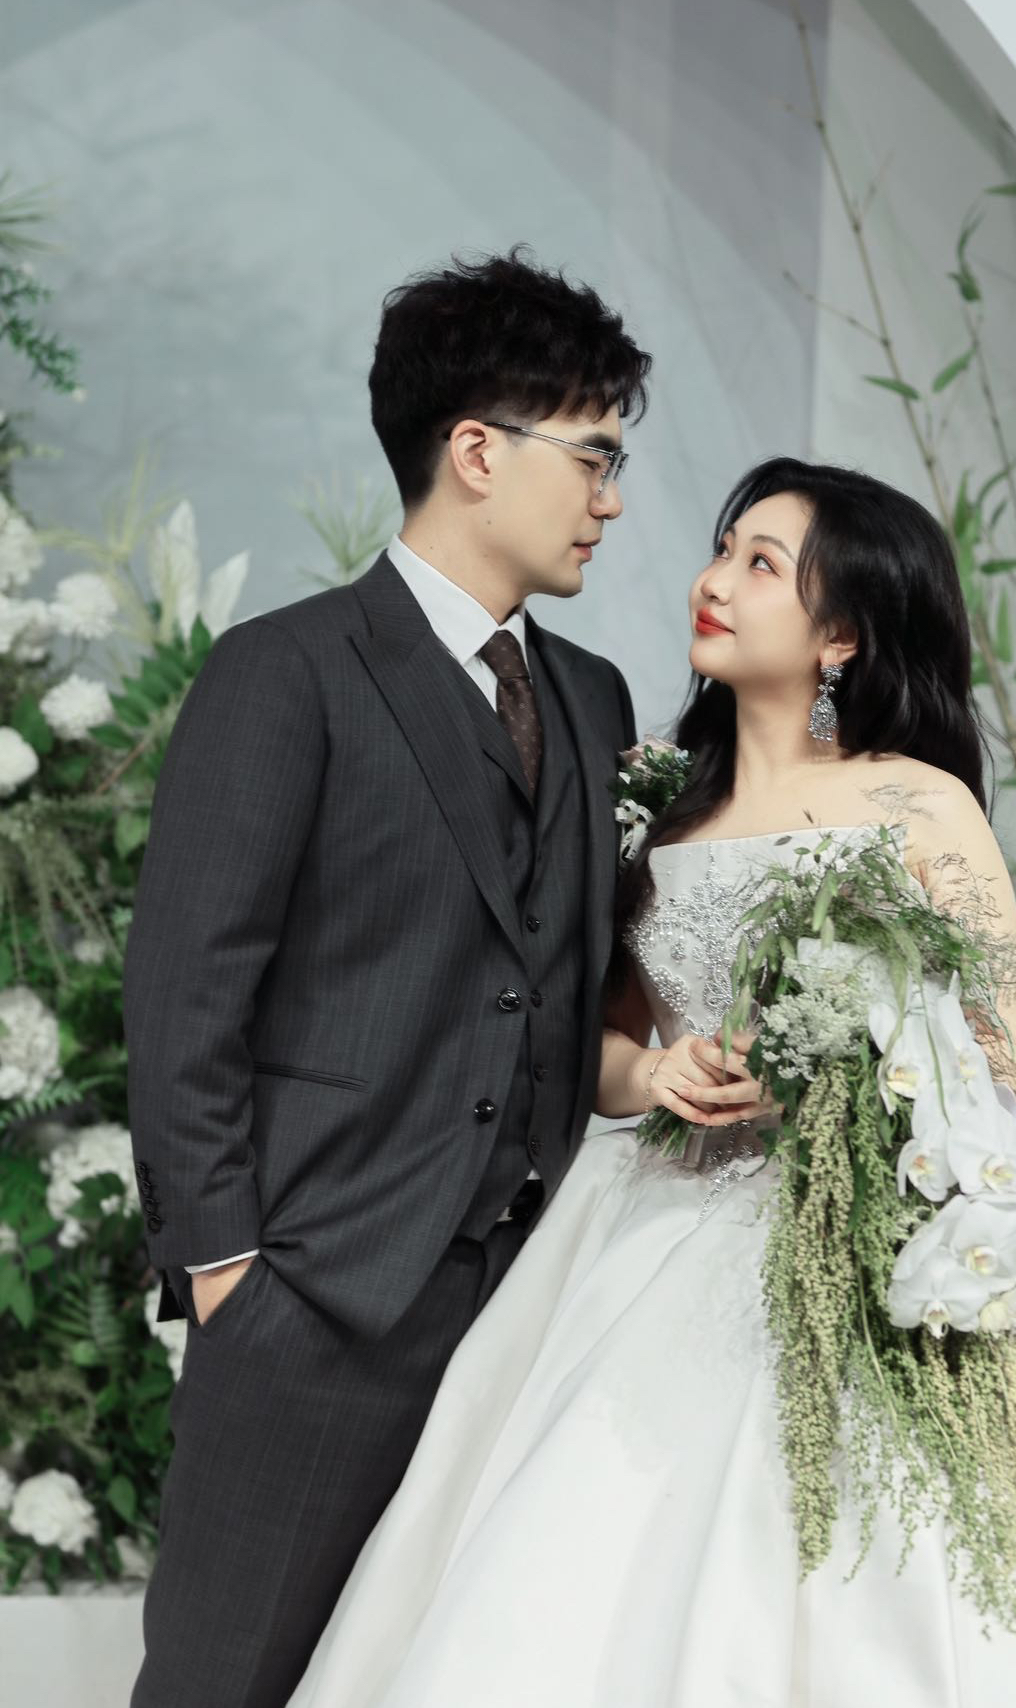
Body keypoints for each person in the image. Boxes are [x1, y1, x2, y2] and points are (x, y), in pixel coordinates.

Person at [288, 458, 1016, 1708]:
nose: (714, 581)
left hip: (892, 1207)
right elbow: (597, 1051)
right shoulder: (650, 805)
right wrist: (660, 1067)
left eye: (761, 564)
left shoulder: (912, 799)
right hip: (664, 1225)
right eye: (723, 550)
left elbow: (1014, 1059)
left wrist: (828, 1066)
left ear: (839, 636)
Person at [122, 247, 651, 1708]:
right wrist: (228, 1273)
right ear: (477, 451)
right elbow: (184, 996)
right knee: (225, 1686)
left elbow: (578, 975)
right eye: (593, 455)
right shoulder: (285, 673)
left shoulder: (594, 698)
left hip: (528, 1315)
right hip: (314, 1304)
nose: (611, 498)